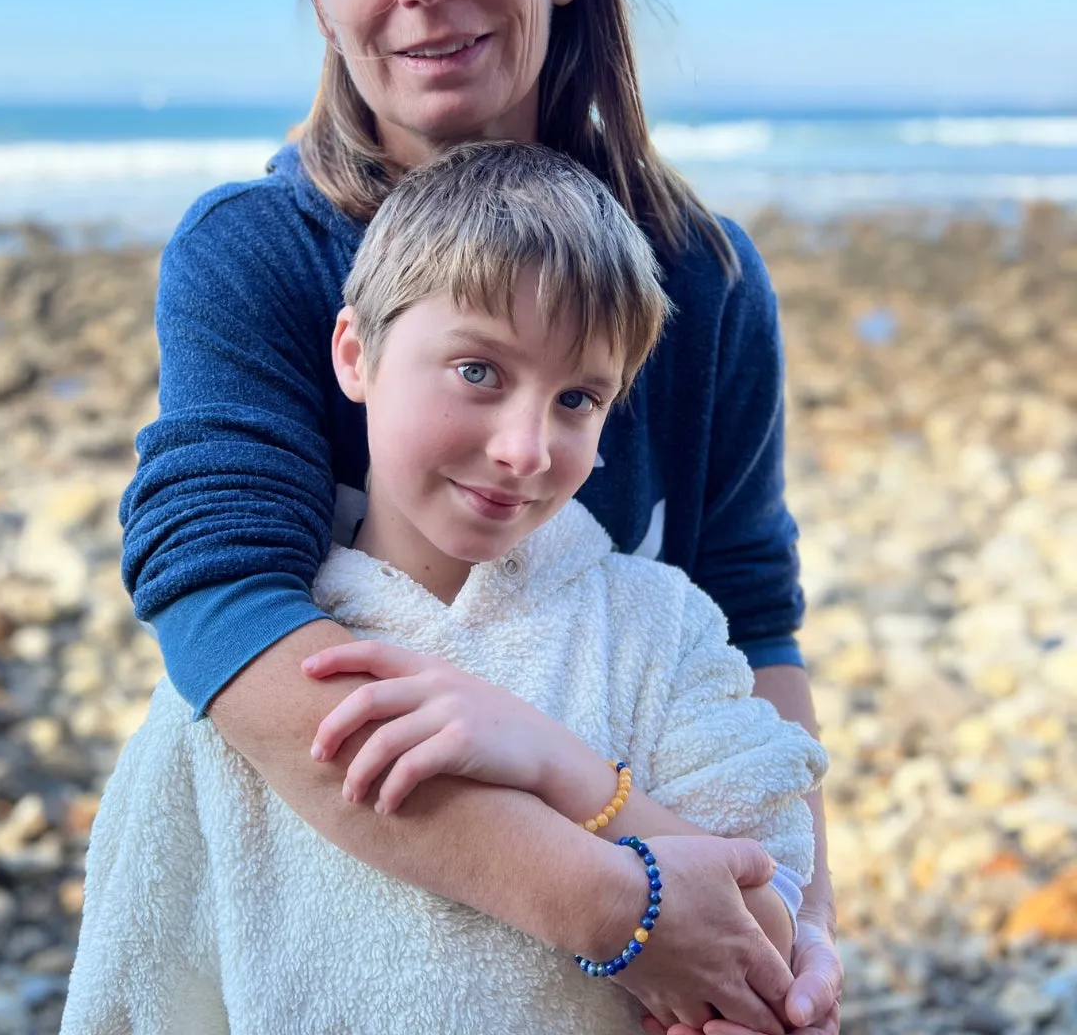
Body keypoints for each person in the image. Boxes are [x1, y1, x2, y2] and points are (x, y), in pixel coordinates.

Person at [118, 0, 844, 1031]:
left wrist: (802, 950)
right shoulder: (257, 256)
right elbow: (221, 602)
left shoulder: (703, 283)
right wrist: (619, 907)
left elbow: (753, 618)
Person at [65, 144, 828, 1035]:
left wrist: (561, 765)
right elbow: (139, 992)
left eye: (578, 398)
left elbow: (768, 932)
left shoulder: (662, 633)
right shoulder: (254, 678)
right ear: (356, 353)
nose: (526, 448)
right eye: (479, 372)